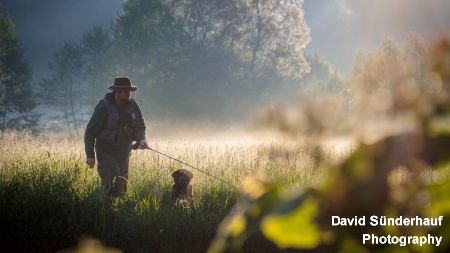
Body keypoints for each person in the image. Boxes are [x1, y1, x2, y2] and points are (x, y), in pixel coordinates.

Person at [84, 76, 148, 197]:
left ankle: (121, 211)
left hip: (124, 153)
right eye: (126, 91)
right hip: (106, 152)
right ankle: (105, 210)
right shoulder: (104, 107)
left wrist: (142, 139)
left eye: (130, 91)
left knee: (122, 185)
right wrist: (90, 155)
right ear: (117, 92)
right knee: (109, 186)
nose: (129, 93)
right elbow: (90, 132)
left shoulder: (133, 106)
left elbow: (140, 126)